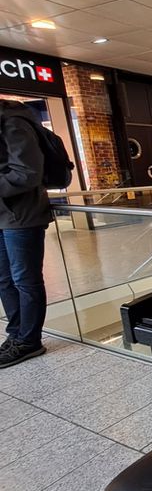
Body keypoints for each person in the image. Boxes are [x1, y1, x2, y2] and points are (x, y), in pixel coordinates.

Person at [0, 100, 52, 367]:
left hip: (23, 216)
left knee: (25, 280)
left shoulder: (14, 122)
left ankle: (29, 340)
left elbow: (27, 173)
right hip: (3, 215)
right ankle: (16, 334)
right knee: (5, 280)